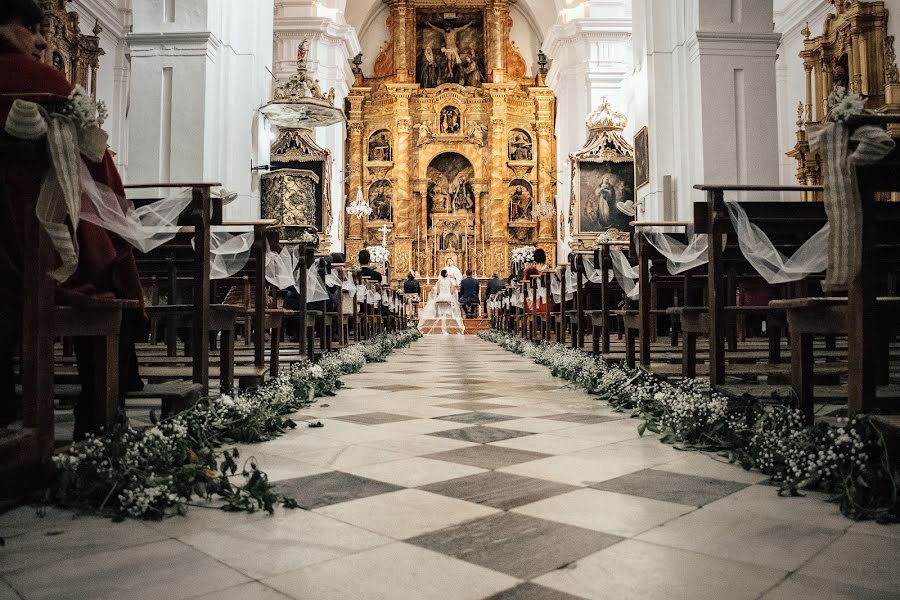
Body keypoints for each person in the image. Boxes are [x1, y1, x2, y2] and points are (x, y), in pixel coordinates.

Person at [0, 0, 146, 436]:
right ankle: (99, 411)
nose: (41, 38)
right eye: (30, 24)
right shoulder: (43, 82)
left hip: (4, 261)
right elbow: (104, 180)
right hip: (44, 262)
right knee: (106, 268)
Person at [417, 269, 465, 335]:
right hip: (448, 296)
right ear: (446, 274)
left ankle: (437, 314)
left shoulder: (439, 281)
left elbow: (438, 291)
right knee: (454, 302)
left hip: (441, 296)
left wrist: (440, 295)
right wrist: (449, 294)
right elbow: (452, 290)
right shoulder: (450, 281)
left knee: (434, 302)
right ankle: (451, 315)